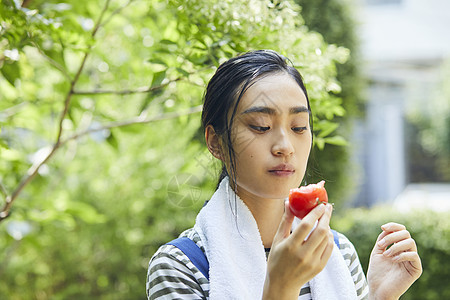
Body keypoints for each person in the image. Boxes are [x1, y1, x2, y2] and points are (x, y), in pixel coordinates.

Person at [146, 50, 422, 299]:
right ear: (216, 142)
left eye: (299, 127)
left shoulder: (336, 251)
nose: (285, 147)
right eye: (261, 126)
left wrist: (378, 298)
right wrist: (281, 288)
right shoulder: (181, 267)